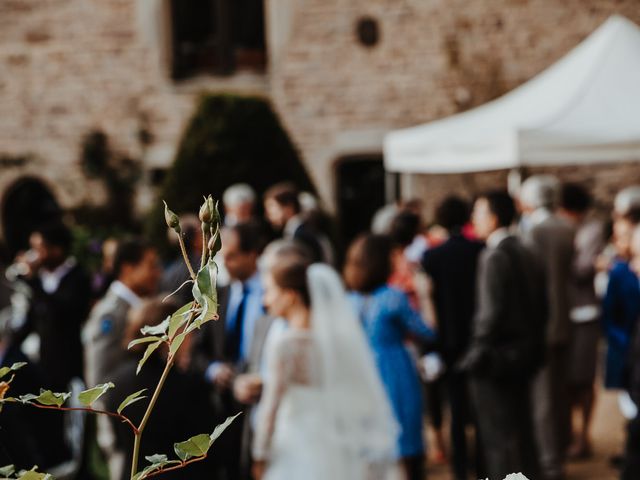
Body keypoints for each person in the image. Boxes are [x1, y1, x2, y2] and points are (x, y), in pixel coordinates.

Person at [252, 258, 397, 480]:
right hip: (336, 444)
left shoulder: (287, 345)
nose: (265, 300)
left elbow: (270, 407)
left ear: (290, 296)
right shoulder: (337, 342)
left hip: (295, 447)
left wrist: (260, 454)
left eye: (270, 291)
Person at [460, 190, 545, 480]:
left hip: (496, 361)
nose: (474, 219)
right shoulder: (528, 249)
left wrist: (474, 354)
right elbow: (542, 305)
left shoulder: (493, 256)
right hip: (525, 355)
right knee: (523, 431)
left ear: (494, 217)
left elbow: (489, 316)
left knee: (498, 439)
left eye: (478, 213)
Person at [345, 234, 436, 480]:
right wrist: (425, 295)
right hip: (394, 373)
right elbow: (427, 332)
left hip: (360, 376)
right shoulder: (393, 297)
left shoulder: (348, 301)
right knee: (405, 444)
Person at [105, 297, 217, 480]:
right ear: (172, 334)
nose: (192, 337)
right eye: (187, 329)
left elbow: (119, 439)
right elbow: (207, 447)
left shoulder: (116, 381)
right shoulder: (188, 387)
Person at [192, 221, 268, 479]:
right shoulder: (219, 295)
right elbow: (198, 350)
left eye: (232, 256)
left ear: (252, 254)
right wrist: (213, 370)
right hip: (222, 404)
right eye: (223, 256)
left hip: (263, 399)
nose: (225, 263)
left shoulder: (271, 296)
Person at [421, 195, 484, 480]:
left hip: (447, 338)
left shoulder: (432, 256)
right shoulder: (480, 250)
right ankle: (481, 463)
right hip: (477, 335)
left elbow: (430, 302)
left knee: (456, 408)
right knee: (481, 405)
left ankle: (460, 467)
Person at [519, 175, 575, 480]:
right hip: (565, 318)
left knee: (543, 399)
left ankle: (549, 463)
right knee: (559, 394)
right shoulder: (567, 228)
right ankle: (560, 451)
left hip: (541, 323)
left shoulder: (533, 232)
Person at [12, 221, 92, 392]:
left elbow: (64, 314)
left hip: (69, 364)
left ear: (57, 249)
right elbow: (33, 318)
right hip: (44, 363)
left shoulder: (77, 277)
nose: (35, 254)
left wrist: (33, 283)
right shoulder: (40, 279)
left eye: (40, 248)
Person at [558, 183, 606, 459]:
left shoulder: (592, 230)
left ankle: (584, 436)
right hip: (564, 312)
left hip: (585, 313)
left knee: (584, 379)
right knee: (565, 381)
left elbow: (582, 269)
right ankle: (570, 433)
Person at [84, 239, 162, 388]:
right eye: (151, 266)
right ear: (128, 269)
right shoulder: (110, 313)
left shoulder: (139, 305)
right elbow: (98, 379)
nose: (158, 273)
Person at [263, 182, 329, 263]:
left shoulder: (301, 234)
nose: (268, 214)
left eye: (272, 206)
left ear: (288, 207)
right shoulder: (298, 231)